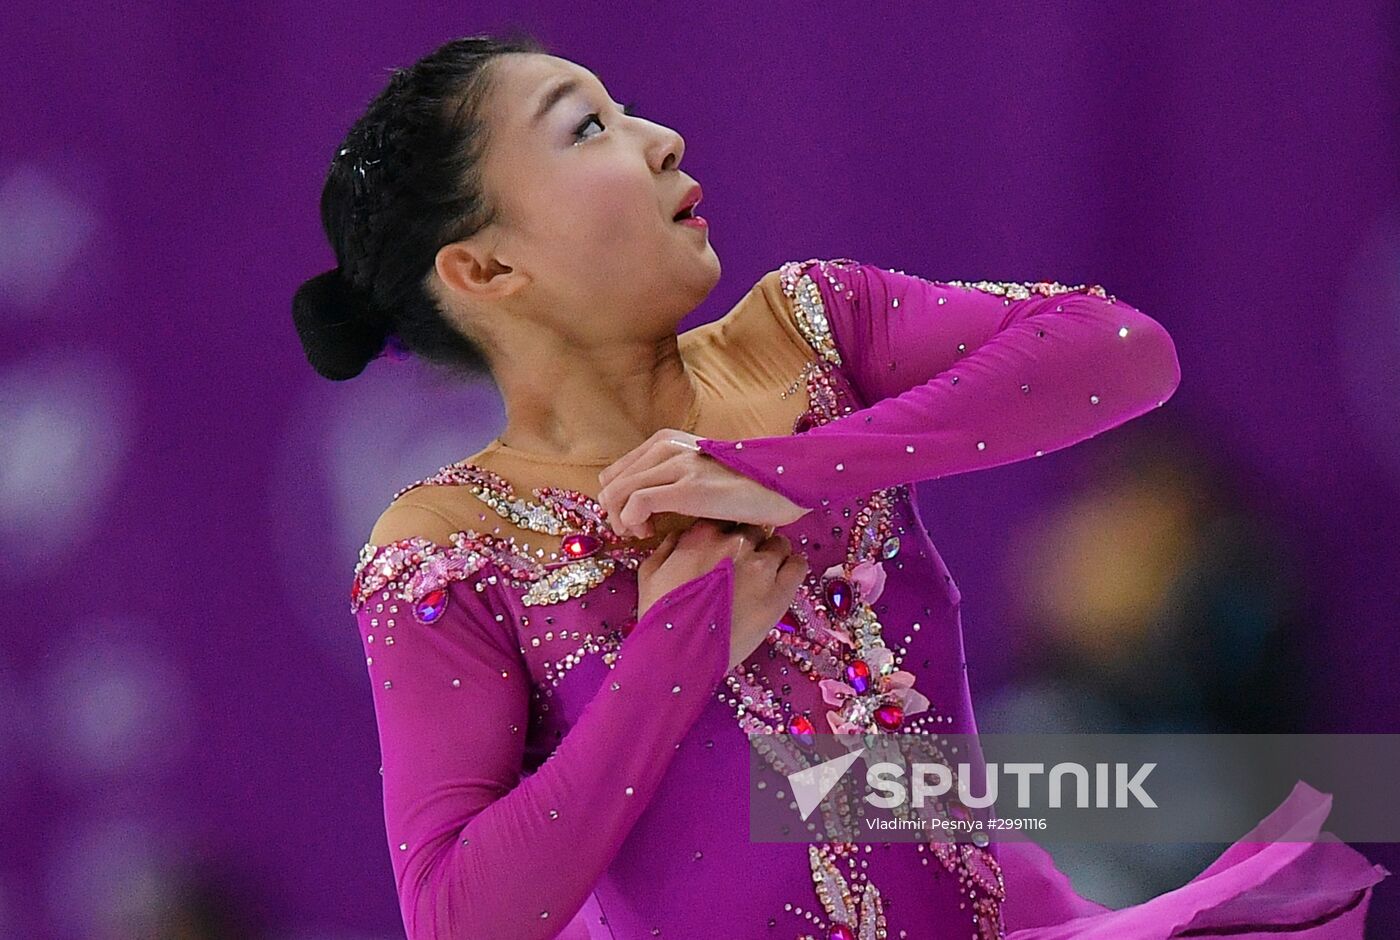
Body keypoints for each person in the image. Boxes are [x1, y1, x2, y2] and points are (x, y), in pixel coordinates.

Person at [293, 33, 1389, 940]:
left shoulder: (805, 330)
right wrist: (677, 644)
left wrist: (785, 472)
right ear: (483, 270)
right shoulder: (448, 546)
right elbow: (455, 918)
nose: (660, 136)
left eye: (625, 110)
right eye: (587, 127)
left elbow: (1120, 349)